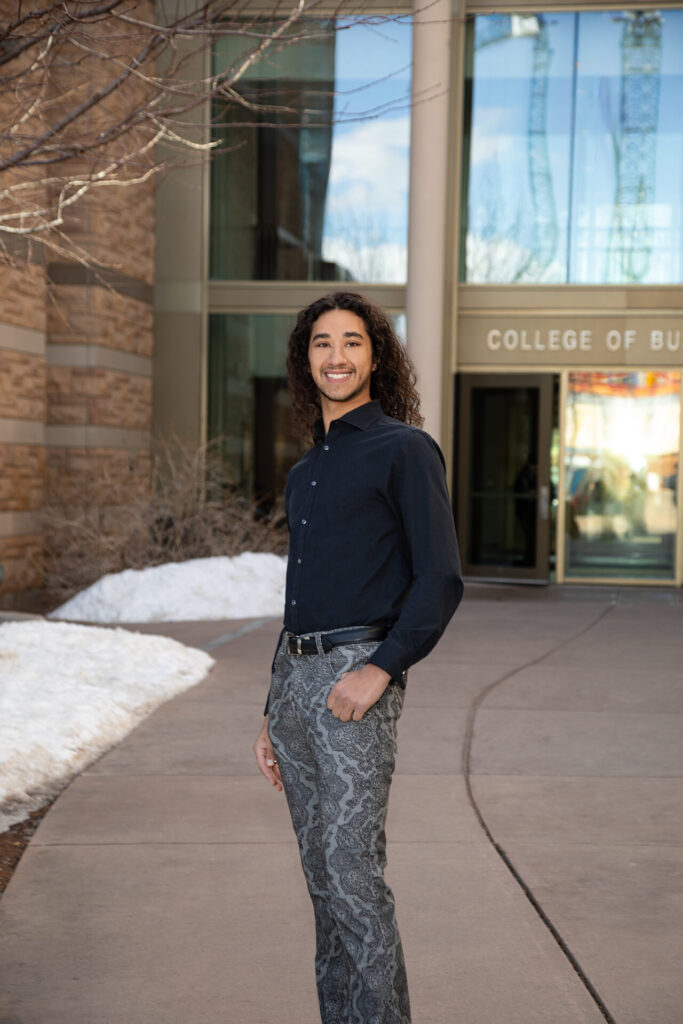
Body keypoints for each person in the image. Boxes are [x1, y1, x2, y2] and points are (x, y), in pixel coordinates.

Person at [253, 292, 463, 1024]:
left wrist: (379, 669)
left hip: (355, 680)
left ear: (376, 355)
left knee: (352, 879)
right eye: (320, 343)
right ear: (303, 359)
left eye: (350, 342)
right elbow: (299, 595)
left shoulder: (404, 449)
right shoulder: (307, 469)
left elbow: (439, 578)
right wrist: (270, 707)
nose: (334, 357)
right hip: (297, 686)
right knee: (322, 883)